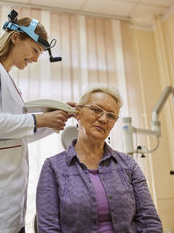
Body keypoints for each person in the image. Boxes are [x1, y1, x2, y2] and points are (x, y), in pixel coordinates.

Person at [0, 9, 72, 233]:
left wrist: (55, 118)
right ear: (16, 38)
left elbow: (19, 132)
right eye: (36, 50)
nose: (37, 59)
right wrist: (41, 118)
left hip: (9, 205)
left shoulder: (10, 83)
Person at [36, 85, 163, 233]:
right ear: (77, 113)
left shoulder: (128, 165)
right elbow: (48, 228)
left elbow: (149, 221)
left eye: (111, 115)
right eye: (96, 109)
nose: (103, 119)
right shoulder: (53, 167)